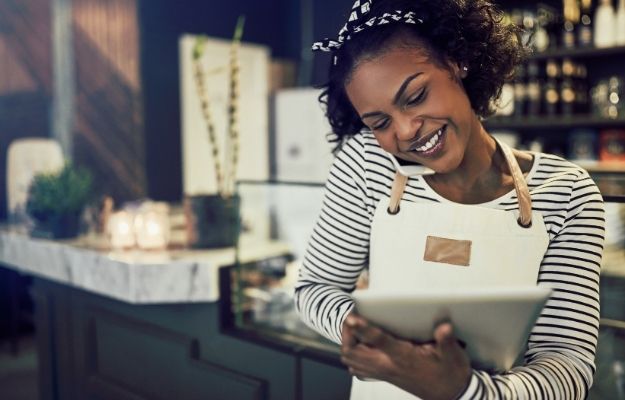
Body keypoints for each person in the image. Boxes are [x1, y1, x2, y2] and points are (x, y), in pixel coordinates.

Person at [294, 0, 606, 399]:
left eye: (416, 96)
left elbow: (567, 363)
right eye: (380, 123)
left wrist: (464, 389)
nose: (405, 131)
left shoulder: (566, 192)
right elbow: (315, 289)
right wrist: (375, 337)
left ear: (457, 61)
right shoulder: (368, 163)